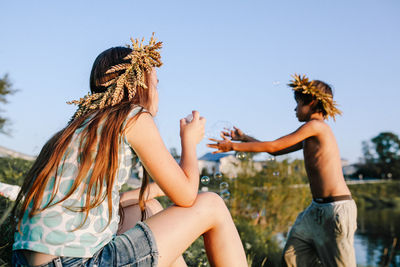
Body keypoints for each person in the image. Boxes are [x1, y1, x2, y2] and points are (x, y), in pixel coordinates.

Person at [11, 34, 247, 267]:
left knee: (147, 210)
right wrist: (189, 141)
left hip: (30, 261)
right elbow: (186, 196)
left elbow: (115, 201)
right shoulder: (132, 116)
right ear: (139, 85)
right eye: (155, 84)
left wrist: (157, 191)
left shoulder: (81, 127)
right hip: (73, 263)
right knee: (212, 204)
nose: (157, 93)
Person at [208, 74, 357, 267]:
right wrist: (244, 138)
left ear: (311, 102)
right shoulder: (310, 132)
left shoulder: (316, 127)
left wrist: (233, 147)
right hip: (316, 209)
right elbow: (277, 150)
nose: (294, 108)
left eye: (298, 103)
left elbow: (274, 146)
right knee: (291, 258)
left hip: (335, 210)